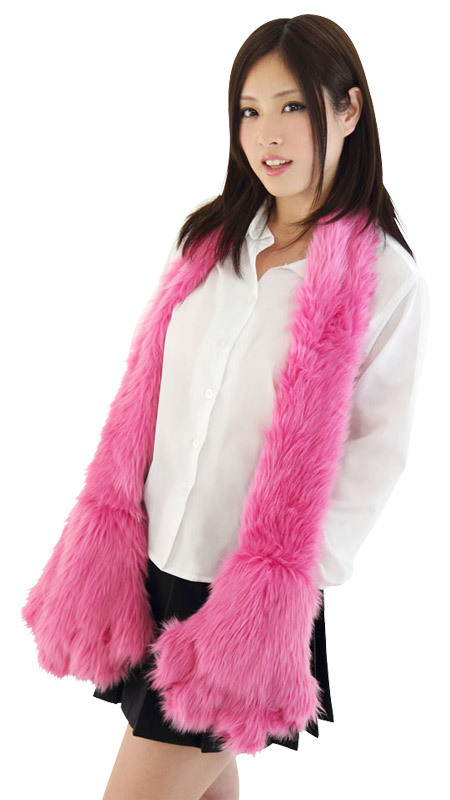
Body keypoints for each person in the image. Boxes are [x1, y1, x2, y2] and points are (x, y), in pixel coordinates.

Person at [22, 14, 429, 800]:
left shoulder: (385, 279)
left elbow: (378, 451)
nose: (267, 134)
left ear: (348, 110)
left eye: (293, 107)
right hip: (153, 565)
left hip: (243, 601)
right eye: (250, 110)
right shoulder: (212, 242)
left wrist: (285, 585)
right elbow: (155, 391)